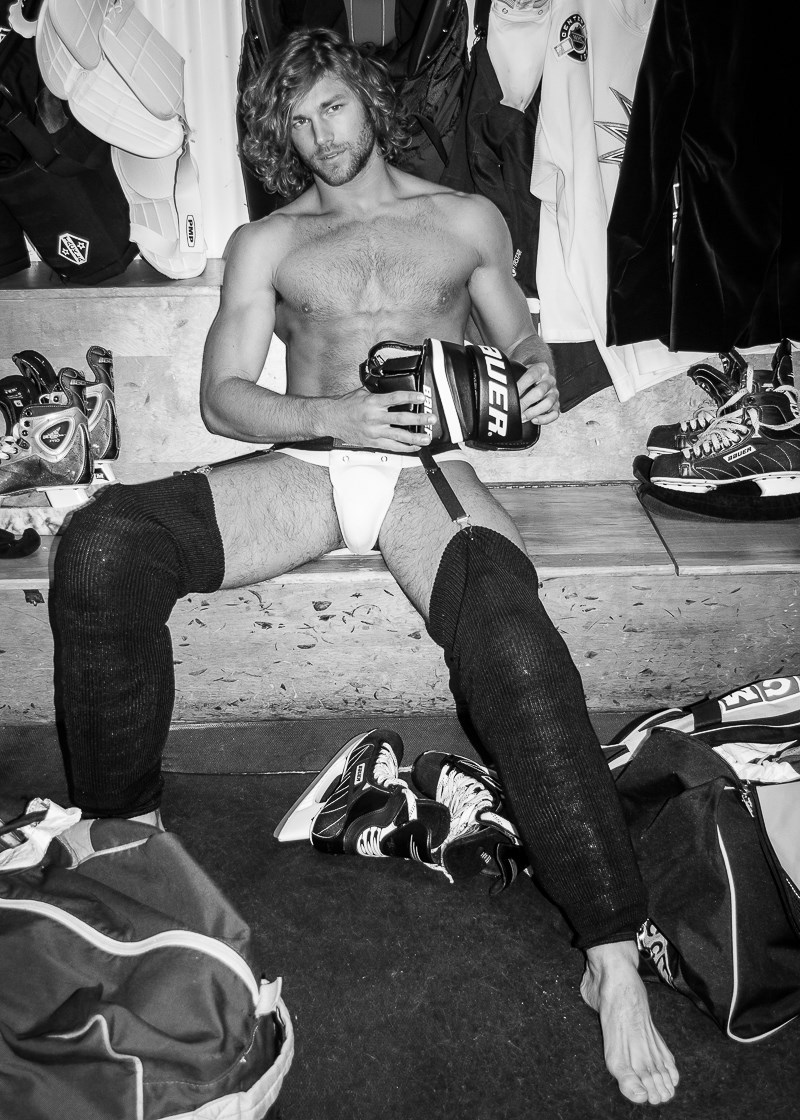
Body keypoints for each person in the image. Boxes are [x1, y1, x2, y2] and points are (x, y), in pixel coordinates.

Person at [50, 28, 679, 1107]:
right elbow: (223, 398)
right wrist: (334, 416)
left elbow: (523, 345)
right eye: (296, 123)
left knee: (511, 636)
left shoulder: (467, 220)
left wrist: (533, 376)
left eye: (331, 108)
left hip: (424, 475)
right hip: (306, 462)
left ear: (370, 101)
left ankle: (611, 955)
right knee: (104, 547)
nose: (317, 136)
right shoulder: (269, 240)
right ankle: (126, 840)